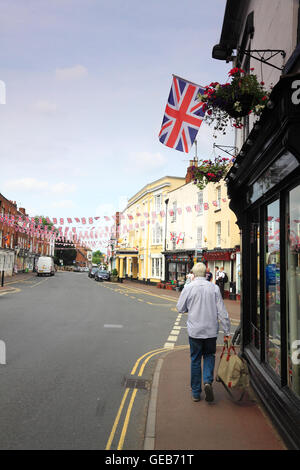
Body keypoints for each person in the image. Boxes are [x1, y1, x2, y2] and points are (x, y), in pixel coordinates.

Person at [176, 262, 231, 403]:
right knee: (209, 356)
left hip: (195, 331)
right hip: (211, 331)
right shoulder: (213, 288)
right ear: (206, 274)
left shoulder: (188, 288)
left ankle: (195, 392)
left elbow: (180, 308)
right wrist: (227, 331)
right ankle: (207, 381)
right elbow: (222, 312)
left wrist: (191, 307)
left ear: (193, 274)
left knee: (195, 360)